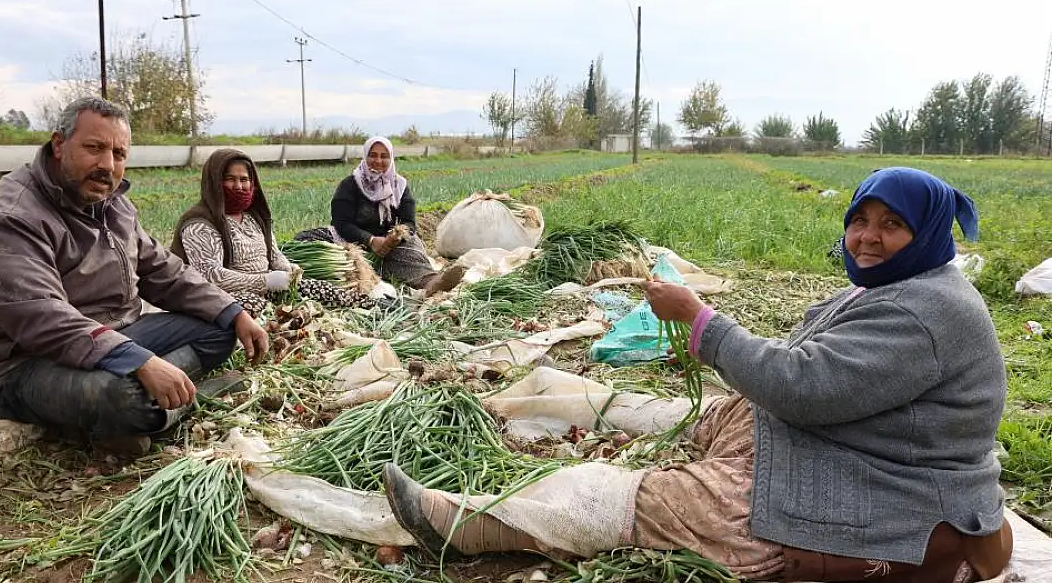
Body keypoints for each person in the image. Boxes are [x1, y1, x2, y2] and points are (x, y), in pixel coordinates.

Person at [382, 167, 1013, 583]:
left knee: (667, 501)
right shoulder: (906, 286)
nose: (868, 238)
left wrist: (702, 322)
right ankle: (663, 452)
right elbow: (811, 368)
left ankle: (473, 523)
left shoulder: (927, 311)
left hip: (893, 494)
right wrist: (706, 340)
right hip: (867, 450)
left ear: (926, 232)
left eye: (892, 225)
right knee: (734, 411)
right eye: (861, 220)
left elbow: (801, 386)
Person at [0, 97, 270, 456]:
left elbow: (162, 269)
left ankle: (157, 407)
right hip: (21, 364)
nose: (107, 165)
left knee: (220, 328)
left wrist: (233, 311)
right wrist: (139, 361)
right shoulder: (6, 218)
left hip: (111, 334)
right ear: (58, 144)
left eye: (118, 153)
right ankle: (180, 399)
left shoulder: (111, 203)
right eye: (94, 148)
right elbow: (43, 319)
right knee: (122, 397)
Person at [169, 149, 372, 315]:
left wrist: (288, 270)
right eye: (230, 179)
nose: (239, 186)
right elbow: (211, 275)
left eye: (244, 179)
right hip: (217, 296)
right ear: (214, 182)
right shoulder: (200, 223)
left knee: (316, 290)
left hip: (267, 288)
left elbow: (273, 254)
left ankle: (368, 306)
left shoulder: (254, 217)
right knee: (258, 308)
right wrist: (265, 280)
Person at [295, 136, 464, 297]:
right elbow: (341, 222)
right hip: (350, 241)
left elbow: (410, 223)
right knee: (304, 239)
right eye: (373, 155)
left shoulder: (399, 185)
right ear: (365, 156)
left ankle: (431, 282)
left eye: (384, 156)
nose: (378, 161)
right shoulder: (350, 184)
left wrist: (395, 238)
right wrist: (370, 240)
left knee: (412, 246)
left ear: (391, 159)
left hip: (388, 245)